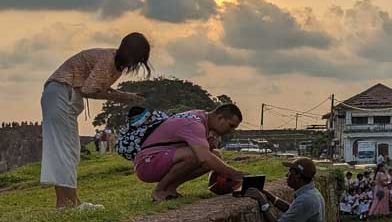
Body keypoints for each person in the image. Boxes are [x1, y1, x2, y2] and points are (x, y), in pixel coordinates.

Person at [40, 33, 151, 209]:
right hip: (61, 92)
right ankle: (65, 204)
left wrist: (127, 97)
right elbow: (89, 90)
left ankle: (71, 201)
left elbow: (98, 88)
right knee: (64, 149)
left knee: (70, 150)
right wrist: (125, 97)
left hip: (61, 94)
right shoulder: (108, 60)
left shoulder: (114, 65)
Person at [133, 103, 246, 202]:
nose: (231, 131)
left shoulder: (200, 117)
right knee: (197, 155)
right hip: (147, 163)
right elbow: (204, 158)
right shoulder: (194, 124)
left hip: (159, 158)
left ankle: (170, 189)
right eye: (231, 126)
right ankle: (160, 191)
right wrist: (235, 174)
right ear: (220, 118)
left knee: (214, 155)